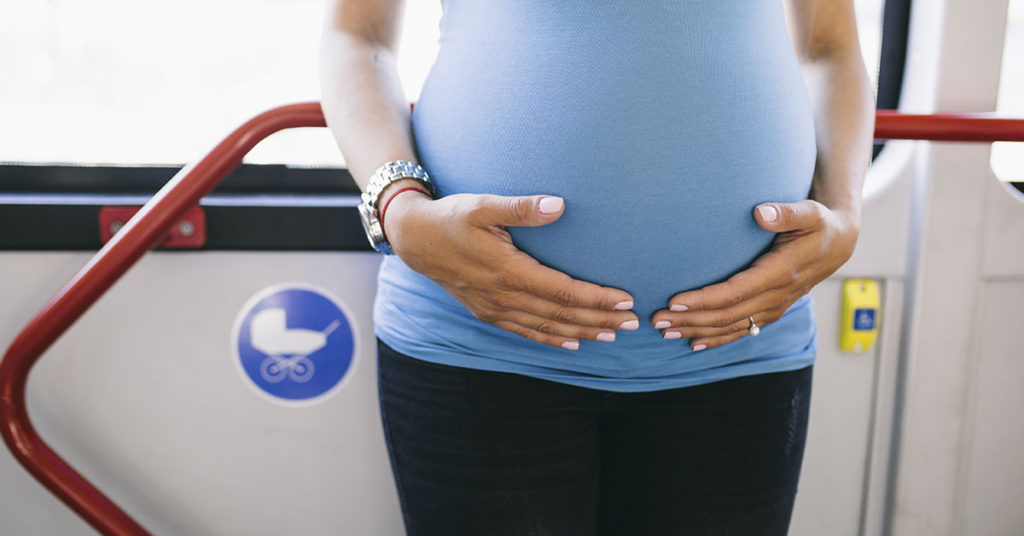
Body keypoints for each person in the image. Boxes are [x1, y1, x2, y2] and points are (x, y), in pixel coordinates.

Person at [320, 0, 874, 534]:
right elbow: (357, 34)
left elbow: (830, 48)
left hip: (740, 350)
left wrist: (845, 214)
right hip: (474, 341)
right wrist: (398, 207)